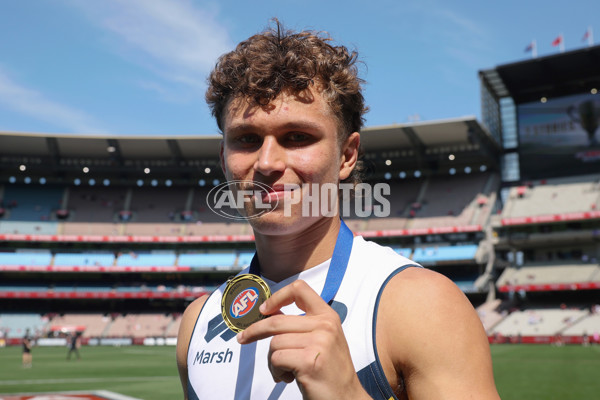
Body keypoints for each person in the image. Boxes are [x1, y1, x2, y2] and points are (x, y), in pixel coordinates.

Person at [176, 20, 500, 400]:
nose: (267, 161)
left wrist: (349, 394)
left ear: (347, 156)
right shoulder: (198, 322)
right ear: (224, 158)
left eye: (297, 137)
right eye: (246, 139)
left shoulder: (419, 304)